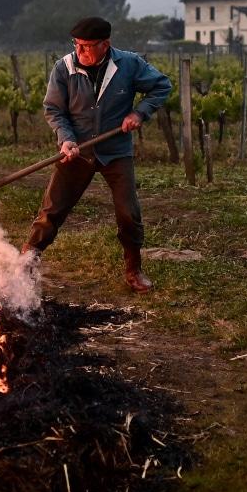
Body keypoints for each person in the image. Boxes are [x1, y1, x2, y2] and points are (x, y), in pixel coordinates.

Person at [22, 16, 172, 292]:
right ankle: (26, 263)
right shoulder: (64, 68)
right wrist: (66, 140)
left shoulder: (128, 64)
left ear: (106, 45)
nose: (80, 52)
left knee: (128, 213)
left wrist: (140, 112)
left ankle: (133, 270)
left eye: (87, 46)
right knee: (52, 210)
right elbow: (54, 110)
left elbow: (162, 86)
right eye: (77, 45)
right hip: (76, 151)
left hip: (115, 151)